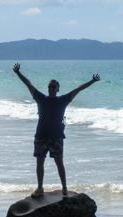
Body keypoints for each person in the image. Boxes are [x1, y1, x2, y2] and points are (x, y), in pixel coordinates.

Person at [12, 63, 100, 197]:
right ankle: (40, 187)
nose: (51, 88)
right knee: (39, 162)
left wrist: (92, 81)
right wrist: (18, 73)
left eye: (54, 87)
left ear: (58, 89)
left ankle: (64, 187)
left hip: (56, 136)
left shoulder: (63, 100)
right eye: (50, 87)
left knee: (59, 162)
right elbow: (28, 84)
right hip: (41, 135)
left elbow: (79, 89)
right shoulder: (41, 98)